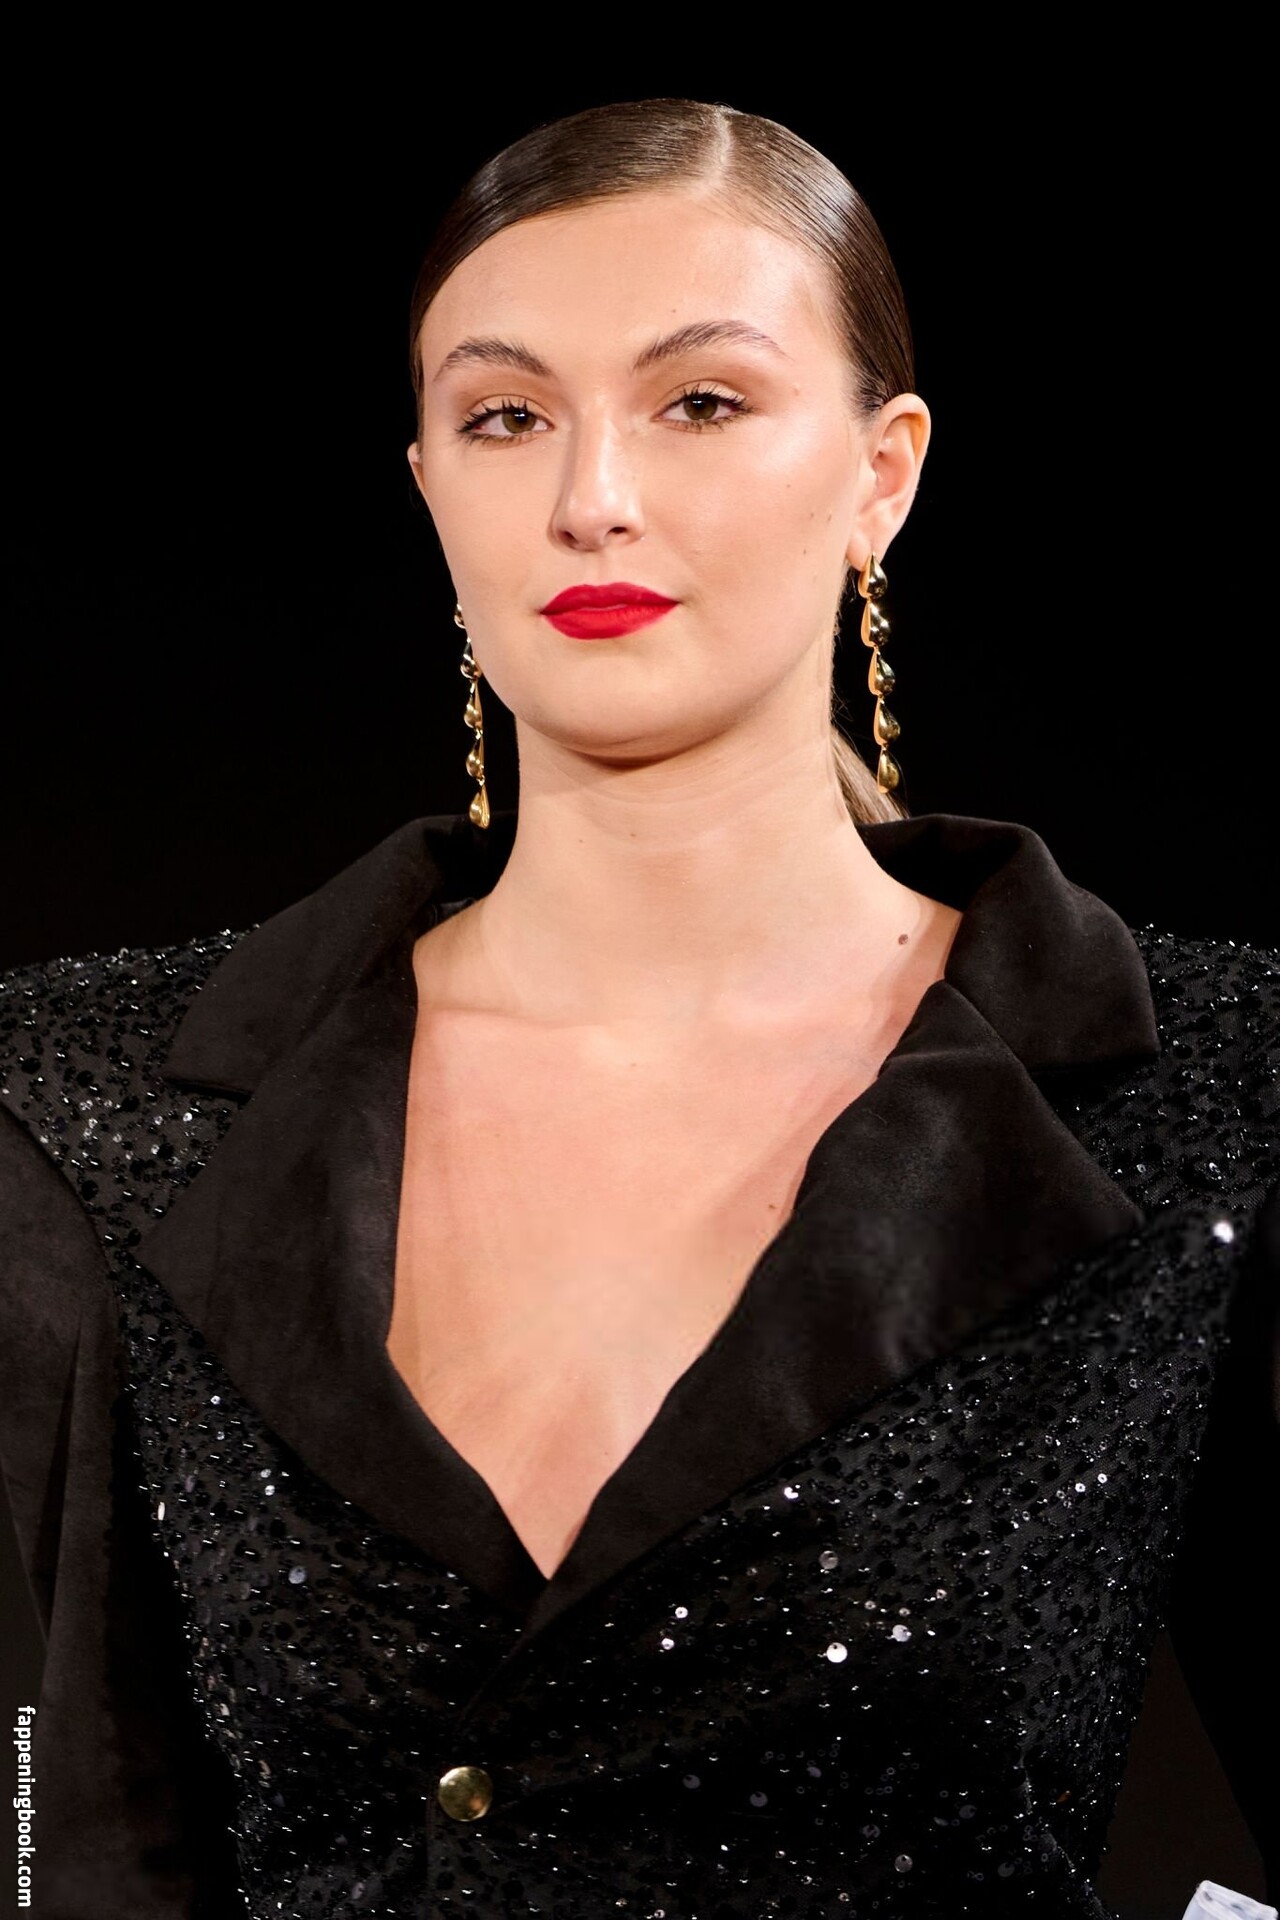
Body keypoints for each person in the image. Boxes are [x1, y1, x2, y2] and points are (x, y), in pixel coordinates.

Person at [0, 96, 1275, 1920]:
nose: (590, 495)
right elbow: (84, 1833)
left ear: (883, 473)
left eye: (702, 401)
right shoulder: (97, 1107)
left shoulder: (1212, 1090)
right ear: (431, 484)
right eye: (507, 416)